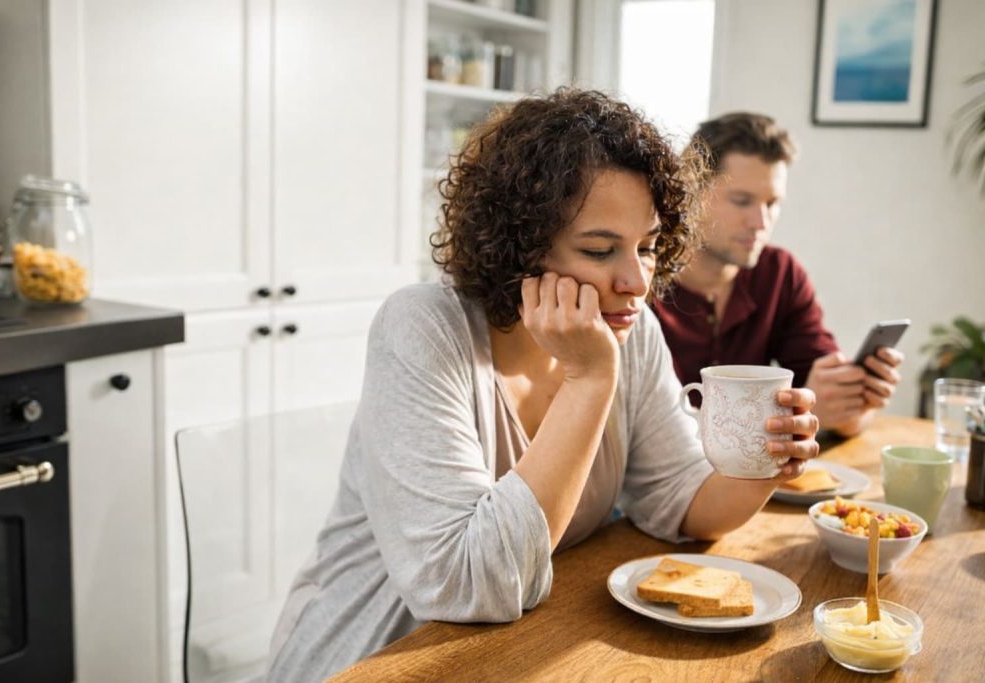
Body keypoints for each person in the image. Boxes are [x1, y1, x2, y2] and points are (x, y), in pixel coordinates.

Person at [266, 90, 819, 682]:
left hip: (521, 651)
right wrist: (588, 379)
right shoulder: (423, 329)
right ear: (520, 245)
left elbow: (679, 500)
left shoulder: (629, 330)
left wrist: (765, 459)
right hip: (380, 655)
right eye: (600, 250)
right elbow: (466, 587)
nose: (635, 280)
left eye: (649, 246)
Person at [650, 113, 904, 437]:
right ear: (691, 190)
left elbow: (835, 410)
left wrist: (855, 401)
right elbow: (647, 435)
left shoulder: (780, 274)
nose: (761, 221)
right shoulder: (638, 277)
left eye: (773, 203)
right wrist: (796, 414)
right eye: (742, 201)